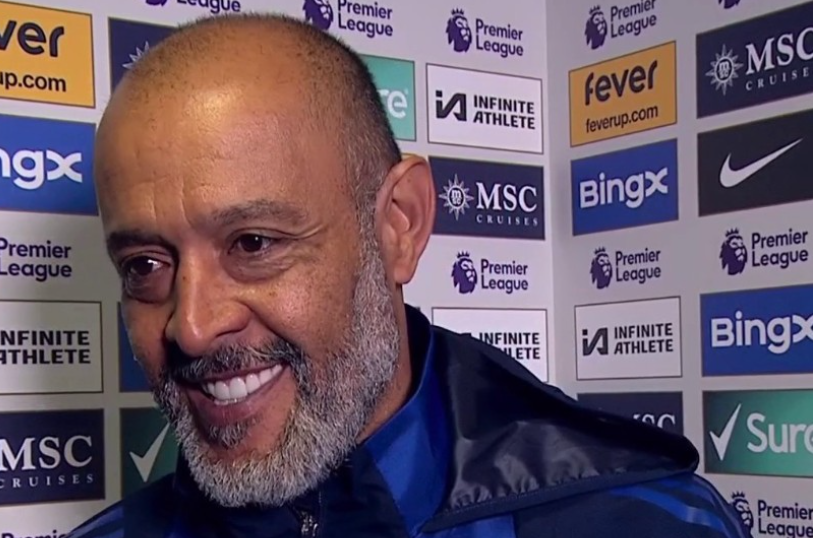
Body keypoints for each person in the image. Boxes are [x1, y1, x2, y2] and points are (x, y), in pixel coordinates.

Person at [68, 13, 748, 538]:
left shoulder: (643, 521)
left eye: (253, 243)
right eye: (145, 266)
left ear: (399, 225)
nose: (191, 326)